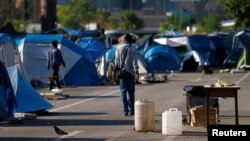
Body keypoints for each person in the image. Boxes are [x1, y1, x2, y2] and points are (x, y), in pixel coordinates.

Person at [114, 33, 139, 116]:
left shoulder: (118, 48)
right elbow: (135, 61)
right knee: (131, 92)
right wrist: (137, 72)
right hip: (131, 73)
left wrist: (116, 71)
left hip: (122, 73)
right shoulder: (133, 48)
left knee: (123, 92)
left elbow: (116, 61)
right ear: (130, 40)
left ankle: (125, 110)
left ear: (124, 39)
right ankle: (132, 110)